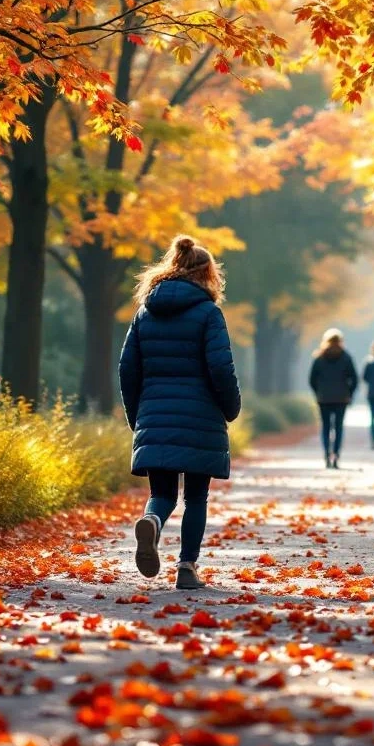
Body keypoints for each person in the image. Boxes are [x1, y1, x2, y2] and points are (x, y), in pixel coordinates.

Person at [119, 235, 241, 591]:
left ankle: (153, 521)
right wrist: (231, 407)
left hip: (155, 415)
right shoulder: (208, 313)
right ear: (206, 272)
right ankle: (187, 567)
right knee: (197, 497)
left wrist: (136, 417)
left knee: (163, 494)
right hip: (200, 417)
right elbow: (221, 367)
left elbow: (127, 369)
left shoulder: (145, 313)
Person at [309, 328, 357, 469]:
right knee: (338, 427)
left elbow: (312, 379)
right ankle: (336, 455)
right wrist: (350, 393)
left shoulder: (319, 357)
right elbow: (354, 378)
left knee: (325, 427)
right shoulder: (346, 357)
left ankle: (326, 454)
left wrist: (317, 392)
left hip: (323, 398)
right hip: (341, 398)